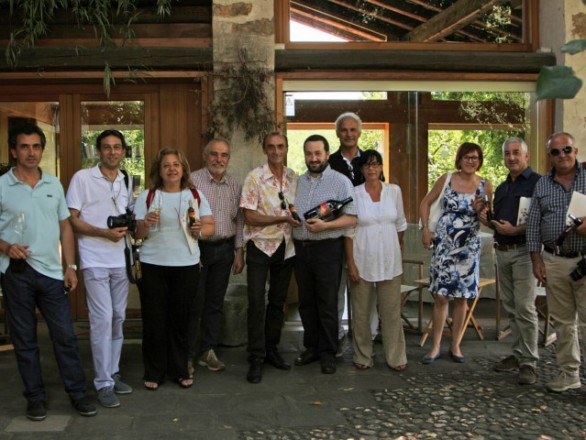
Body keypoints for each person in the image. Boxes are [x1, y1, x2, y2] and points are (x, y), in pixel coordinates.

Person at [0, 124, 97, 420]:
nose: (31, 152)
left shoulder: (53, 184)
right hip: (16, 273)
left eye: (36, 147)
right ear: (14, 151)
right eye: (24, 147)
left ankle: (78, 393)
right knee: (26, 339)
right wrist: (5, 246)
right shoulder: (2, 185)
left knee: (65, 336)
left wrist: (70, 266)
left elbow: (65, 225)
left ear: (42, 150)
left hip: (52, 273)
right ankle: (35, 398)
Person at [133, 148, 214, 390]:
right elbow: (136, 234)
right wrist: (145, 224)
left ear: (183, 169)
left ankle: (179, 370)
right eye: (166, 165)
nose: (171, 169)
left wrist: (200, 229)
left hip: (186, 265)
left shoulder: (195, 195)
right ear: (159, 170)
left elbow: (211, 227)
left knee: (181, 321)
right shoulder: (147, 197)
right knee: (154, 321)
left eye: (176, 164)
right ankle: (154, 372)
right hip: (152, 265)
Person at [66, 129, 134, 408]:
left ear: (123, 151)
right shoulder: (82, 178)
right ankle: (103, 383)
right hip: (94, 258)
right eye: (106, 147)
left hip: (121, 259)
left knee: (118, 317)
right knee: (102, 319)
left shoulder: (125, 179)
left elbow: (128, 214)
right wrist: (102, 233)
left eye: (117, 147)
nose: (112, 152)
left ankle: (112, 372)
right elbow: (72, 220)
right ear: (97, 151)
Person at [419, 142, 492, 364]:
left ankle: (456, 345)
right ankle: (435, 346)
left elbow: (490, 219)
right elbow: (425, 202)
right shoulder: (447, 178)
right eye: (467, 157)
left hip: (468, 247)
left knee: (462, 298)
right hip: (444, 244)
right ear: (459, 159)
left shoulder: (485, 185)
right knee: (441, 295)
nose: (471, 161)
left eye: (476, 158)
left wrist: (482, 211)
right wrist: (425, 229)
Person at [527, 132, 586, 392]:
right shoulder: (542, 184)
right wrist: (536, 258)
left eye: (567, 150)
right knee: (563, 322)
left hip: (584, 260)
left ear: (576, 150)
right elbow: (533, 225)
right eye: (556, 152)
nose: (562, 155)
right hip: (554, 260)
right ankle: (568, 373)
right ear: (549, 155)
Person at [293, 134, 357, 375]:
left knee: (327, 303)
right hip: (301, 249)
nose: (313, 158)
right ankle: (311, 348)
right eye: (309, 153)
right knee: (306, 303)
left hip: (328, 249)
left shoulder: (341, 182)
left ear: (327, 154)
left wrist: (326, 226)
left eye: (318, 153)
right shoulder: (297, 182)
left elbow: (352, 217)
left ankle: (329, 352)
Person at [479, 137, 540, 385]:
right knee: (512, 307)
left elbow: (540, 219)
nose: (511, 157)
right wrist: (485, 218)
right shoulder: (503, 187)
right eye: (507, 154)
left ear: (526, 156)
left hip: (525, 251)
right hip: (502, 251)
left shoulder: (538, 183)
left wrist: (517, 230)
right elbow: (497, 222)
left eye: (516, 153)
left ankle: (529, 362)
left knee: (525, 307)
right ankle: (518, 353)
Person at [239, 132, 299, 384]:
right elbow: (250, 217)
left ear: (286, 148)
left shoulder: (293, 177)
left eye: (280, 146)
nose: (276, 151)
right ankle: (255, 357)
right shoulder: (254, 177)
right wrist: (282, 218)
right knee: (256, 302)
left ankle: (271, 350)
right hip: (259, 247)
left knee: (278, 302)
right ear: (265, 149)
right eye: (271, 147)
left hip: (285, 247)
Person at [345, 150, 407, 371]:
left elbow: (400, 225)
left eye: (376, 164)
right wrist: (350, 263)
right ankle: (363, 356)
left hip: (390, 261)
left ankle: (396, 357)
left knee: (391, 312)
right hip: (362, 259)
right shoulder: (353, 193)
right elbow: (349, 231)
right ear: (361, 169)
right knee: (361, 312)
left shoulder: (394, 191)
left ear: (381, 167)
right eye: (367, 165)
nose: (372, 169)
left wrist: (396, 250)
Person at [188, 138, 245, 373]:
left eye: (224, 155)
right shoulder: (192, 181)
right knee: (194, 304)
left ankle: (207, 351)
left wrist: (239, 252)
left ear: (228, 159)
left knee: (214, 304)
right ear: (205, 156)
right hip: (198, 250)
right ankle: (188, 355)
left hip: (224, 249)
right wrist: (191, 251)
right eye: (214, 154)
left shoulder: (235, 185)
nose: (219, 159)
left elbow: (240, 220)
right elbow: (185, 218)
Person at [328, 112, 375, 357]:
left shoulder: (369, 160)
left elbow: (378, 190)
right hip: (337, 233)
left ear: (359, 132)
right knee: (337, 287)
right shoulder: (329, 161)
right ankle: (335, 336)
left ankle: (365, 335)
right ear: (338, 133)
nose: (349, 134)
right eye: (344, 130)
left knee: (363, 285)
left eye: (353, 130)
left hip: (365, 234)